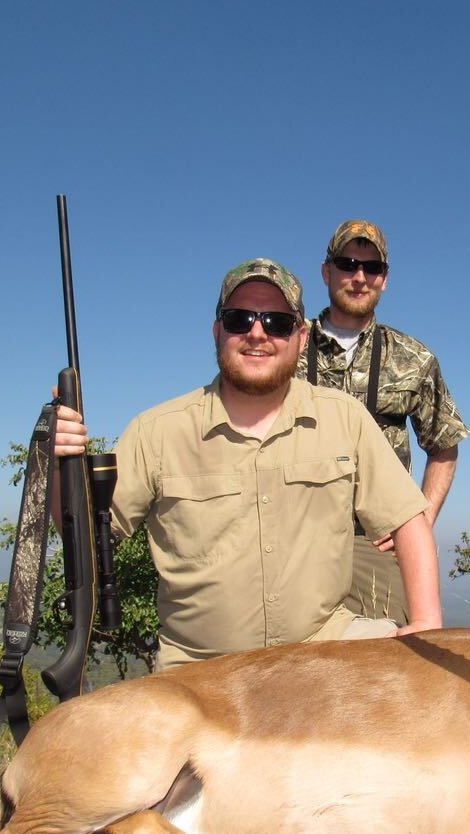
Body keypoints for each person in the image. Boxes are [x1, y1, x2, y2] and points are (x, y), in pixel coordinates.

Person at [53, 258, 442, 669]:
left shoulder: (344, 418)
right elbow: (86, 535)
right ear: (218, 331)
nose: (257, 333)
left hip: (327, 643)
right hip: (200, 669)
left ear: (301, 336)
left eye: (276, 322)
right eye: (240, 319)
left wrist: (426, 623)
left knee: (432, 695)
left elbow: (407, 519)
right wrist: (59, 463)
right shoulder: (157, 432)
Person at [298, 220, 469, 624]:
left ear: (384, 280)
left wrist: (419, 523)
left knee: (392, 666)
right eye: (347, 263)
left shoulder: (413, 357)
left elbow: (444, 443)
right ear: (326, 271)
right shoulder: (286, 344)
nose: (359, 277)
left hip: (374, 544)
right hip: (293, 537)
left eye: (371, 268)